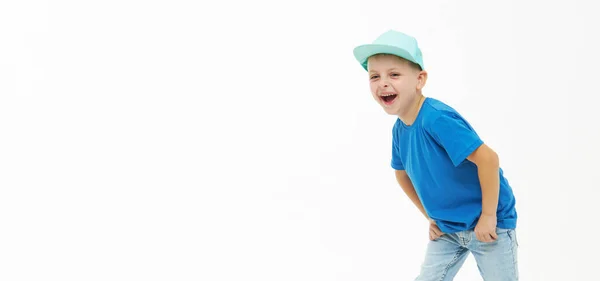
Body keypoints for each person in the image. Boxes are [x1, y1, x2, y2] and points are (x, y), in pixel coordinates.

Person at [352, 30, 519, 280]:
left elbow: (489, 159)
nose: (383, 83)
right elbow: (401, 175)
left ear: (420, 80)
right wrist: (431, 216)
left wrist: (488, 216)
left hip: (488, 224)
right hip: (448, 229)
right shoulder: (399, 130)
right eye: (374, 76)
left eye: (394, 74)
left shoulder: (436, 119)